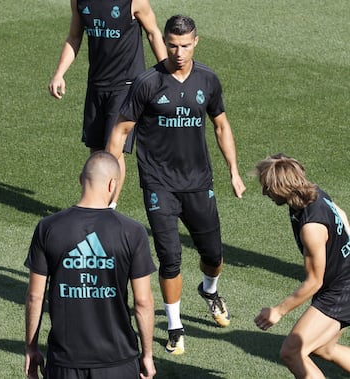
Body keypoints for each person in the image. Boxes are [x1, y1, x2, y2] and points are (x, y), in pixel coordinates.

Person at [106, 14, 246, 355]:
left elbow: (221, 125)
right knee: (169, 258)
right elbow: (120, 133)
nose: (178, 51)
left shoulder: (208, 80)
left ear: (196, 42)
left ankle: (209, 290)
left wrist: (234, 171)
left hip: (199, 182)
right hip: (158, 184)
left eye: (184, 45)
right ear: (164, 43)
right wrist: (109, 191)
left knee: (213, 255)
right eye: (172, 45)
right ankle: (174, 326)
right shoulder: (147, 83)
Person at [24, 151, 157, 379]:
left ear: (80, 179)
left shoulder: (48, 228)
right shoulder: (132, 232)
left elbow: (35, 297)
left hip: (64, 362)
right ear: (112, 185)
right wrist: (147, 354)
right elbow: (143, 302)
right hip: (118, 362)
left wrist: (31, 348)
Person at [48, 0, 167, 209]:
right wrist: (59, 73)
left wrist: (167, 75)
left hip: (127, 85)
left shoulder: (133, 1)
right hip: (96, 84)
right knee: (96, 150)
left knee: (114, 149)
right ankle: (96, 203)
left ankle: (109, 208)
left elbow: (153, 33)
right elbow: (74, 37)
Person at [254, 153, 350, 378]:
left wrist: (278, 311)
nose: (264, 192)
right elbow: (343, 216)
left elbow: (314, 281)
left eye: (267, 187)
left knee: (292, 351)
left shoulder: (311, 227)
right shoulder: (313, 193)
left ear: (281, 187)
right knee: (323, 348)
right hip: (340, 284)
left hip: (341, 291)